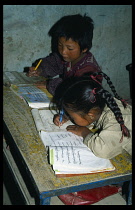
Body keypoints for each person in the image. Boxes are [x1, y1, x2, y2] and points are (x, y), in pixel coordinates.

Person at [52, 72, 132, 159]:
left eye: (73, 117)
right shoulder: (99, 104)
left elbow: (103, 151)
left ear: (91, 115)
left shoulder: (115, 120)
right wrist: (66, 116)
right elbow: (87, 117)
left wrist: (84, 132)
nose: (71, 118)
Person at [26, 14, 102, 95]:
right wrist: (40, 70)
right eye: (60, 45)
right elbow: (52, 63)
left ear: (84, 48)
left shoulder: (89, 69)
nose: (63, 52)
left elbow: (74, 90)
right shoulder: (68, 57)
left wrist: (50, 84)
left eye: (70, 48)